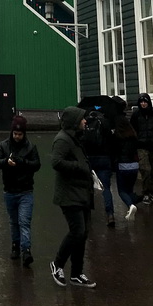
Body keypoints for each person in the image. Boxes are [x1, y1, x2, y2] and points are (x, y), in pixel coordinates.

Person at [49, 106, 96, 288]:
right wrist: (79, 167)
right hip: (69, 194)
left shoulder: (75, 138)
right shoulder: (62, 140)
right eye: (82, 119)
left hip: (82, 192)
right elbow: (56, 162)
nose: (85, 121)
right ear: (75, 122)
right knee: (77, 231)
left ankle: (77, 273)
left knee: (82, 234)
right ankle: (58, 264)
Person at [0, 115, 41, 267]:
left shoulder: (30, 147)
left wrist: (22, 162)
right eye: (15, 134)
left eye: (20, 134)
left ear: (24, 134)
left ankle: (26, 249)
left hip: (25, 190)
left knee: (24, 221)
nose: (17, 137)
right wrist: (6, 162)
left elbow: (36, 165)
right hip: (10, 190)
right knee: (14, 221)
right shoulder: (4, 145)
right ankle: (15, 245)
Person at [83, 105, 116, 228]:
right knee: (106, 188)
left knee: (88, 187)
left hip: (89, 159)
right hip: (104, 158)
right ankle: (110, 214)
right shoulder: (105, 123)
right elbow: (111, 142)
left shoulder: (86, 122)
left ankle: (87, 215)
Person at [130, 92, 153, 204]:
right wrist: (136, 140)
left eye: (145, 102)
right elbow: (132, 129)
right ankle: (145, 193)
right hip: (141, 147)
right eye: (141, 102)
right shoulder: (136, 115)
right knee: (146, 170)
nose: (143, 104)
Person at [111, 109, 140, 221]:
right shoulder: (133, 135)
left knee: (122, 191)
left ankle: (130, 205)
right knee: (129, 189)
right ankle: (133, 205)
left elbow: (114, 152)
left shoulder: (117, 137)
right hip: (134, 166)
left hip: (123, 166)